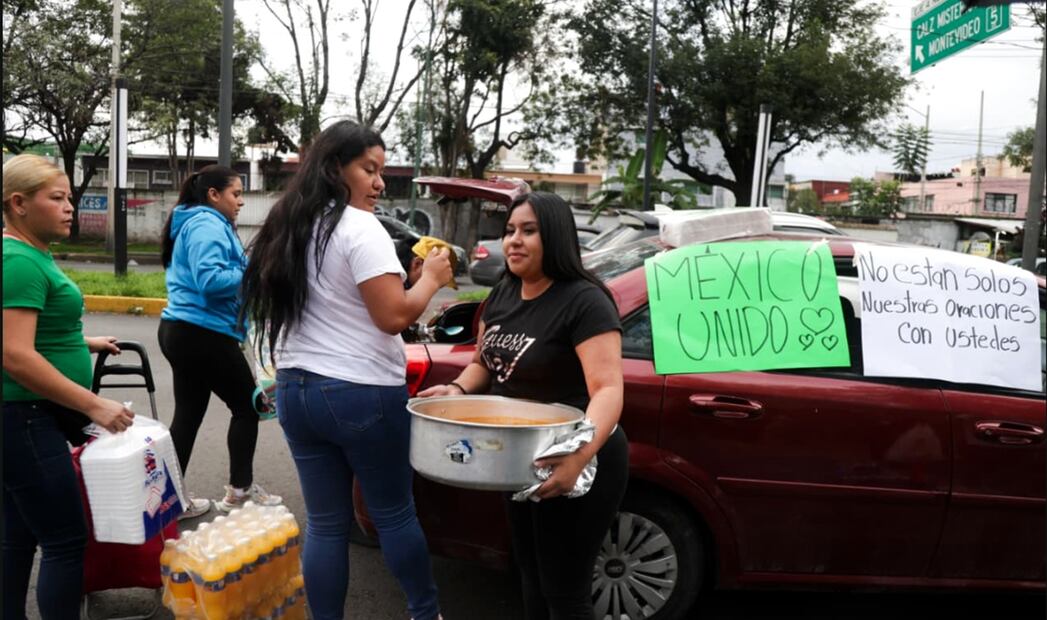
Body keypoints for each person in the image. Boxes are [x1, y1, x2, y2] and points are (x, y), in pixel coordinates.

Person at [240, 120, 451, 620]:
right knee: (394, 514)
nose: (379, 182)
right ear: (337, 168)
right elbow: (394, 317)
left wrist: (411, 282)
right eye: (368, 169)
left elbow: (346, 303)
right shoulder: (360, 227)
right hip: (361, 393)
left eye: (380, 171)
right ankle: (427, 613)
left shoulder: (293, 225)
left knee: (326, 524)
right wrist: (434, 281)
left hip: (295, 390)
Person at [418, 191, 629, 620]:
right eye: (510, 230)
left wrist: (577, 456)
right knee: (530, 576)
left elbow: (608, 389)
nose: (514, 240)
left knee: (565, 591)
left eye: (528, 231)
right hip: (519, 456)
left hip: (579, 455)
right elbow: (484, 361)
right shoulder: (505, 293)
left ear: (555, 236)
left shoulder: (584, 300)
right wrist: (457, 389)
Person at [2, 154, 136, 619]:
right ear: (18, 203)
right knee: (64, 542)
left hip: (24, 418)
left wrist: (82, 341)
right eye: (56, 198)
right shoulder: (16, 259)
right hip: (25, 419)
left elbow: (34, 333)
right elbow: (14, 354)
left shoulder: (29, 252)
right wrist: (94, 405)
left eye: (69, 198)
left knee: (17, 536)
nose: (69, 207)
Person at [158, 164, 281, 518]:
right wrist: (253, 270)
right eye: (236, 194)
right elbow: (210, 280)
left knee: (188, 416)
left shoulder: (198, 222)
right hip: (203, 333)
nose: (241, 202)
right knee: (248, 407)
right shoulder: (206, 224)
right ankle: (240, 492)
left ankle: (171, 501)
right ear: (214, 195)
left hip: (184, 331)